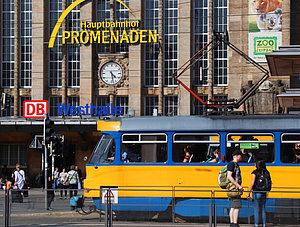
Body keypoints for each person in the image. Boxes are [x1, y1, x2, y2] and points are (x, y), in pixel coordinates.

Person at [247, 159, 270, 227]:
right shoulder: (266, 172)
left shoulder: (255, 172)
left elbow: (252, 183)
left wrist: (248, 193)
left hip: (256, 192)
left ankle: (256, 225)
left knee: (256, 209)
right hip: (264, 192)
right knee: (263, 209)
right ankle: (264, 224)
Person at [227, 149, 244, 227]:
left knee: (233, 206)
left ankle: (232, 223)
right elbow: (229, 176)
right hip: (234, 189)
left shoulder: (234, 164)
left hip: (233, 188)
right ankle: (235, 223)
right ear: (237, 156)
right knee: (237, 206)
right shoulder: (232, 164)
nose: (242, 157)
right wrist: (238, 185)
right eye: (241, 155)